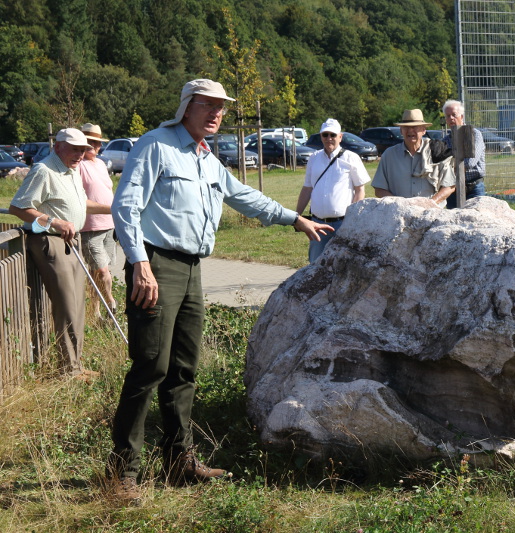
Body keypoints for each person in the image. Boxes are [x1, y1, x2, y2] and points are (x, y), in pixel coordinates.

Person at [107, 79, 332, 502]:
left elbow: (243, 196)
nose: (216, 114)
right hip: (156, 265)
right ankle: (122, 473)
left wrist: (293, 219)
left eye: (222, 108)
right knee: (150, 366)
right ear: (186, 106)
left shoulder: (208, 159)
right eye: (208, 106)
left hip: (192, 271)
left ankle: (178, 462)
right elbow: (127, 205)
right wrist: (139, 263)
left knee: (184, 369)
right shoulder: (156, 145)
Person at [8, 128, 111, 379]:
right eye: (74, 149)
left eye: (83, 149)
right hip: (50, 241)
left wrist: (113, 209)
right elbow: (19, 207)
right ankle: (68, 370)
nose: (80, 154)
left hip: (70, 240)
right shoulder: (44, 170)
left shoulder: (72, 170)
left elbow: (81, 204)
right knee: (66, 305)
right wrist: (55, 222)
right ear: (58, 146)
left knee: (77, 304)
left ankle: (76, 365)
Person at [295, 118, 370, 262]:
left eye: (333, 135)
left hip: (342, 223)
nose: (329, 138)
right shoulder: (314, 158)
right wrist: (297, 216)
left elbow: (360, 190)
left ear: (340, 137)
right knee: (315, 265)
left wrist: (352, 218)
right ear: (321, 136)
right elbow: (307, 188)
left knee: (342, 265)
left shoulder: (351, 158)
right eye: (325, 135)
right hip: (317, 224)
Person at [372, 109, 455, 205]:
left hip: (431, 214)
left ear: (424, 130)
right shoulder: (389, 155)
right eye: (406, 127)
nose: (410, 130)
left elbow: (449, 186)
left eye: (415, 127)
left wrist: (430, 204)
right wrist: (399, 205)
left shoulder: (437, 152)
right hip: (399, 214)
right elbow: (379, 189)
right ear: (401, 130)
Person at [78, 123, 116, 320]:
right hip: (90, 226)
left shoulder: (100, 164)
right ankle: (111, 303)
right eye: (90, 142)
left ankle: (95, 313)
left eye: (97, 143)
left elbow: (107, 190)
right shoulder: (78, 164)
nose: (94, 146)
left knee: (99, 272)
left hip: (108, 224)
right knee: (101, 271)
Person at [442, 99, 486, 209]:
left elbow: (470, 162)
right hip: (453, 189)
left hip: (474, 188)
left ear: (461, 116)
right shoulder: (446, 140)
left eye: (454, 115)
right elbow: (441, 166)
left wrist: (452, 166)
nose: (451, 118)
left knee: (476, 221)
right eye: (448, 116)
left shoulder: (475, 135)